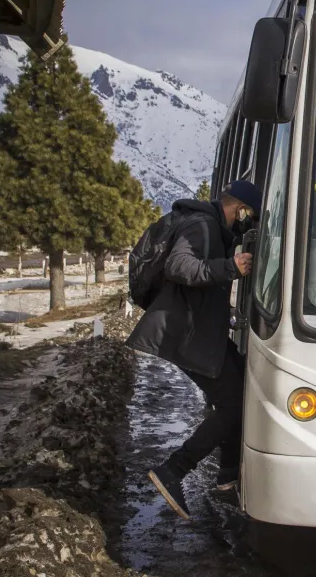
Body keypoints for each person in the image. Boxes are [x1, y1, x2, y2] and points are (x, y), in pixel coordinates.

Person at [126, 180, 262, 520]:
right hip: (185, 333)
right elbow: (179, 265)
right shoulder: (201, 225)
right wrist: (230, 268)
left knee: (243, 390)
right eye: (250, 216)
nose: (249, 222)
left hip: (199, 331)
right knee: (233, 403)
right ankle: (173, 471)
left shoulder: (214, 226)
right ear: (240, 209)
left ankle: (227, 479)